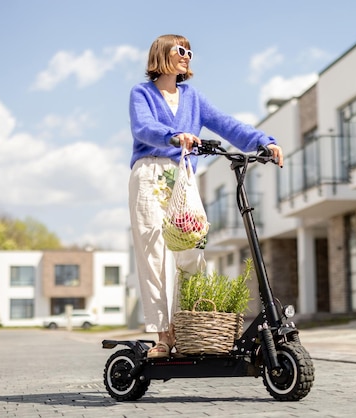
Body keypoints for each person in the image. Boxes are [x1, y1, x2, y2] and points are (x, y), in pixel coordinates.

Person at [128, 34, 283, 358]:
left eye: (190, 52)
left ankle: (190, 329)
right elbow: (143, 128)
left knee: (192, 249)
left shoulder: (192, 97)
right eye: (181, 50)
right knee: (154, 253)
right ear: (161, 54)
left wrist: (263, 142)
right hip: (150, 173)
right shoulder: (141, 93)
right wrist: (173, 135)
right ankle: (162, 336)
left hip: (182, 177)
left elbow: (227, 124)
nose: (187, 56)